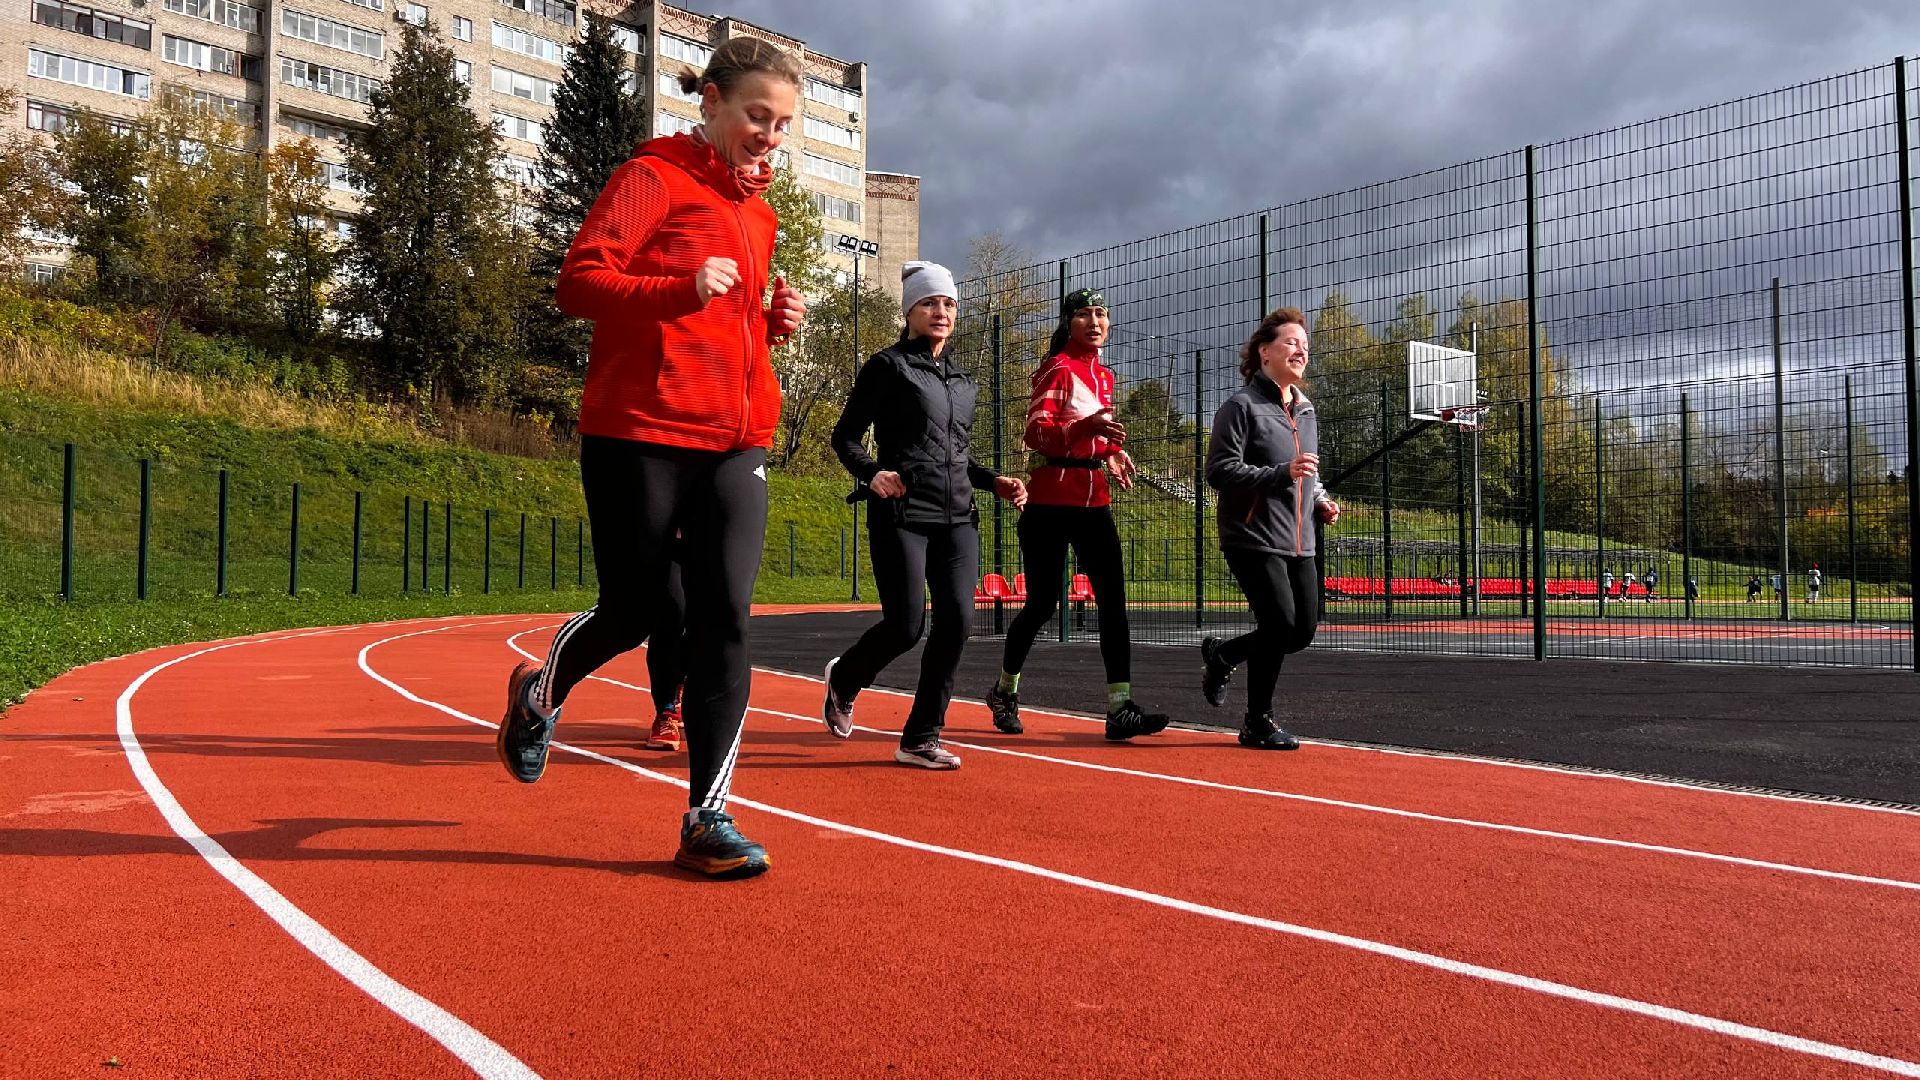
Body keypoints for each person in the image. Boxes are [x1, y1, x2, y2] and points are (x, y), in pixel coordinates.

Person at [496, 38, 808, 881]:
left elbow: (724, 317)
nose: (768, 136)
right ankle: (541, 691)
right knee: (634, 612)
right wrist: (679, 289)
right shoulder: (653, 179)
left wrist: (768, 321)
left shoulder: (761, 213)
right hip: (639, 429)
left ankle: (707, 815)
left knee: (727, 622)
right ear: (710, 102)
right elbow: (578, 283)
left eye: (782, 125)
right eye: (756, 116)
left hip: (737, 440)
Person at [821, 262, 1028, 768]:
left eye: (949, 304)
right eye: (930, 303)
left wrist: (993, 480)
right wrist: (872, 473)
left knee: (957, 624)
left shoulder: (963, 382)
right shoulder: (888, 367)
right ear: (910, 311)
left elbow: (954, 454)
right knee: (905, 626)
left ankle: (920, 737)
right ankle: (845, 679)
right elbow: (845, 436)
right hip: (902, 513)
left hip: (958, 516)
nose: (941, 312)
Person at [983, 287, 1170, 742]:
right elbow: (1035, 434)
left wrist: (1114, 452)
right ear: (1068, 322)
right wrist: (1087, 428)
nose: (1094, 321)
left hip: (1095, 505)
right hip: (1048, 506)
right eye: (1084, 314)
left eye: (1101, 313)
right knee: (1043, 604)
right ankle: (1005, 690)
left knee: (1114, 604)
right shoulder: (1056, 370)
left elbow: (1100, 434)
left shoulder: (1104, 377)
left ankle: (1120, 707)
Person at [1199, 306, 1339, 750]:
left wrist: (1319, 499)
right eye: (1291, 342)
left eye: (1305, 345)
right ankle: (1258, 721)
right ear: (1265, 352)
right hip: (1252, 534)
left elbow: (1308, 473)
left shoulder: (1307, 409)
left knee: (1301, 632)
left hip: (1301, 538)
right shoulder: (1241, 407)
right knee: (1278, 624)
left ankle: (1225, 654)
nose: (1301, 350)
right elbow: (1219, 472)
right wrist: (1281, 473)